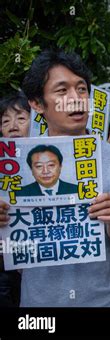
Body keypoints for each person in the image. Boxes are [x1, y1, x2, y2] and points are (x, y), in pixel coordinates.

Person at [0, 49, 110, 307]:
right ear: (37, 104)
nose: (76, 99)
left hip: (106, 301)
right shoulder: (14, 164)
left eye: (82, 89)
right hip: (39, 305)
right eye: (62, 91)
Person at [0, 91, 31, 307]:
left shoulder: (52, 159)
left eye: (21, 118)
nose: (13, 126)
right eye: (5, 121)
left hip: (39, 259)